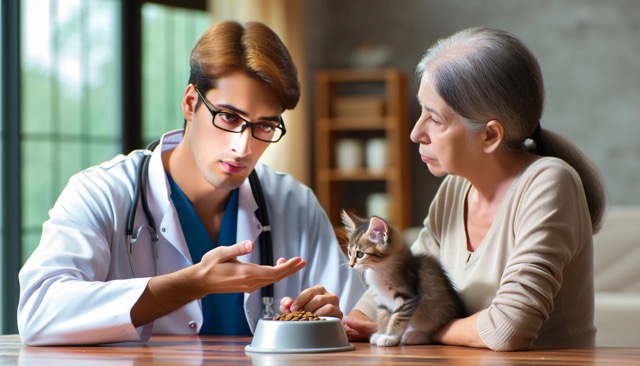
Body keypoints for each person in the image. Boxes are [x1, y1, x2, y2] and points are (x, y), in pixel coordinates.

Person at [18, 20, 366, 346]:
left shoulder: (294, 203)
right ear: (190, 103)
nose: (242, 147)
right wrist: (191, 285)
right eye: (229, 117)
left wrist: (330, 321)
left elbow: (353, 319)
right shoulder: (101, 193)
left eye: (264, 126)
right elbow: (38, 312)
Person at [342, 25, 606, 351]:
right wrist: (338, 325)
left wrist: (424, 328)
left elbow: (506, 329)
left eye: (434, 120)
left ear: (490, 136)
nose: (415, 133)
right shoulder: (455, 189)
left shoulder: (549, 183)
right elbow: (397, 276)